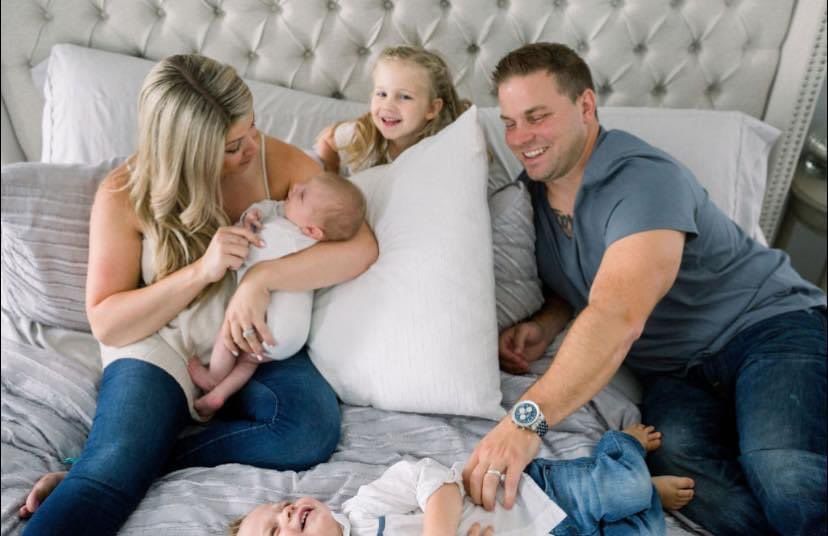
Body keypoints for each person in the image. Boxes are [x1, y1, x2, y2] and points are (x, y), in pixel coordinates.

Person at [462, 42, 827, 535]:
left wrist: (524, 423)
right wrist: (545, 324)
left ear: (585, 106)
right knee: (693, 489)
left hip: (767, 328)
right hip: (676, 373)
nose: (521, 137)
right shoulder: (535, 196)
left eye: (537, 116)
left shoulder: (642, 180)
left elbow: (616, 313)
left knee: (783, 473)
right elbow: (583, 285)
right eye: (509, 122)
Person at [17, 54, 378, 535]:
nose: (253, 147)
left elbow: (360, 246)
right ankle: (110, 465)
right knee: (108, 474)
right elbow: (108, 321)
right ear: (186, 150)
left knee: (308, 430)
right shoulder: (123, 194)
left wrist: (260, 280)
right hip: (161, 342)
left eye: (252, 128)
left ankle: (146, 460)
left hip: (251, 339)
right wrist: (201, 272)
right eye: (233, 145)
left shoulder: (269, 158)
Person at [230, 424, 670, 536]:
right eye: (274, 531)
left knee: (626, 488)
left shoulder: (365, 508)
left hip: (534, 499)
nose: (286, 513)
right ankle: (645, 497)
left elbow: (432, 479)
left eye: (279, 508)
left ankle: (620, 450)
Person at [188, 171, 366, 418]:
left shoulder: (280, 235)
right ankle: (220, 395)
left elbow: (246, 248)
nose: (294, 188)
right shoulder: (312, 244)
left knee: (230, 332)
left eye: (301, 195)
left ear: (312, 230)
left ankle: (213, 378)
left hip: (269, 325)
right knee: (250, 361)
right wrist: (256, 214)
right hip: (291, 338)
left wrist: (245, 223)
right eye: (301, 184)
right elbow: (273, 210)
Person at [314, 45, 470, 176]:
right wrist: (332, 177)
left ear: (431, 108)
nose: (388, 106)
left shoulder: (445, 142)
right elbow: (327, 139)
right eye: (382, 94)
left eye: (404, 97)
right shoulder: (362, 135)